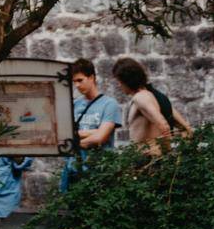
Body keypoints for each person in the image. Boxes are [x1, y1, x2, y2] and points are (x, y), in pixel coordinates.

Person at [60, 58, 123, 191]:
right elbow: (64, 135)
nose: (76, 85)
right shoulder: (75, 105)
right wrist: (95, 131)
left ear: (92, 77)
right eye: (74, 82)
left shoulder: (109, 104)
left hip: (99, 171)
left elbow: (100, 138)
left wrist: (75, 140)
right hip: (75, 170)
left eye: (80, 80)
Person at [112, 57, 192, 150]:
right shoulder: (158, 97)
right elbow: (186, 128)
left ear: (127, 80)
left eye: (119, 81)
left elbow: (163, 125)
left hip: (148, 159)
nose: (119, 85)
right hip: (153, 160)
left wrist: (166, 155)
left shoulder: (141, 97)